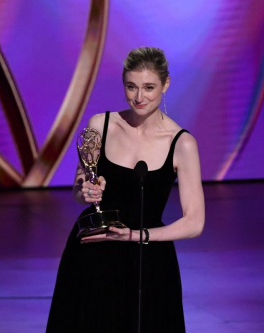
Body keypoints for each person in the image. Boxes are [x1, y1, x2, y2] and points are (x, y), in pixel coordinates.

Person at [46, 47, 205, 332]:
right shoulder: (100, 125)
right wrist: (87, 191)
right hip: (94, 252)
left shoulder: (181, 143)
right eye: (131, 87)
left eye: (149, 87)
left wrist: (135, 235)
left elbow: (194, 222)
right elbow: (79, 189)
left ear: (166, 84)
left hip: (147, 259)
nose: (139, 97)